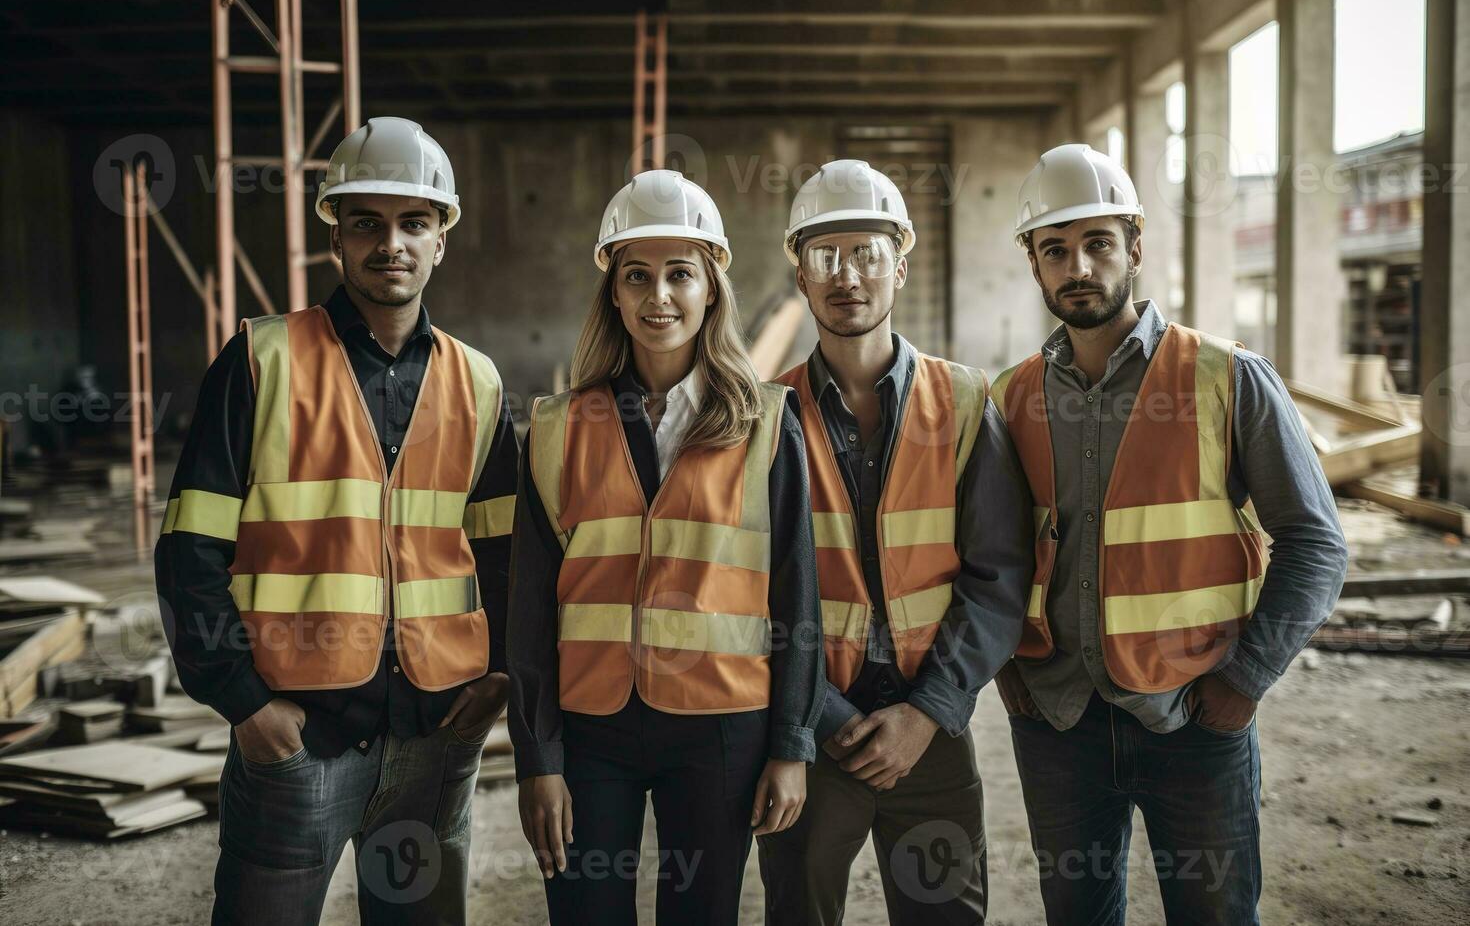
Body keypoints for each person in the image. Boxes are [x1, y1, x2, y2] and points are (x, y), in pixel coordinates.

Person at [155, 117, 518, 924]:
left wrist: (499, 680)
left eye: (412, 224)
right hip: (297, 739)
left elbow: (506, 556)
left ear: (440, 241)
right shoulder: (261, 359)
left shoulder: (479, 381)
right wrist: (244, 703)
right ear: (338, 239)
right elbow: (189, 547)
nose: (390, 244)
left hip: (434, 736)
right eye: (367, 224)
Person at [991, 143, 1349, 925]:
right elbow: (997, 554)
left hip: (1193, 714)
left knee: (1215, 914)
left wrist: (1245, 679)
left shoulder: (1225, 376)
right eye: (1056, 249)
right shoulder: (1010, 398)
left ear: (1135, 248)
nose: (1078, 265)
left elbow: (1316, 540)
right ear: (1033, 262)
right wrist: (1005, 671)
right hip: (1059, 722)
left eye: (1098, 243)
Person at [507, 169, 823, 925]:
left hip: (722, 725)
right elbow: (528, 612)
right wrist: (538, 758)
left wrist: (791, 744)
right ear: (611, 292)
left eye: (680, 274)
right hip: (591, 729)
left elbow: (796, 592)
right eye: (636, 276)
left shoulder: (767, 423)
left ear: (712, 286)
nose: (659, 298)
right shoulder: (557, 427)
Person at [756, 159, 1034, 924]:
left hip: (931, 729)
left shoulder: (966, 399)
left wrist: (927, 712)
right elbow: (745, 590)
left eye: (867, 253)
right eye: (824, 256)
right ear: (802, 277)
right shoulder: (762, 417)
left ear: (900, 266)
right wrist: (827, 718)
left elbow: (998, 575)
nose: (847, 275)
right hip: (815, 732)